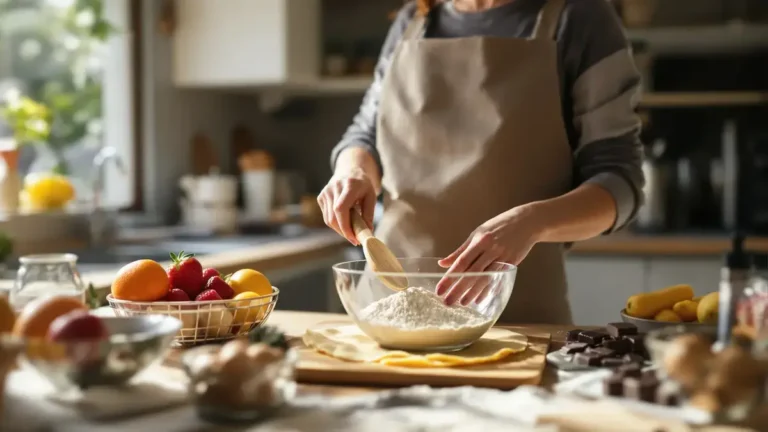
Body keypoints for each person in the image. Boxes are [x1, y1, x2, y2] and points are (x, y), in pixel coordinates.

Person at [318, 0, 645, 324]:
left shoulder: (580, 17)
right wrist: (354, 170)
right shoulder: (413, 21)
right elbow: (365, 135)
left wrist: (532, 221)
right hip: (386, 308)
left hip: (514, 315)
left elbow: (619, 183)